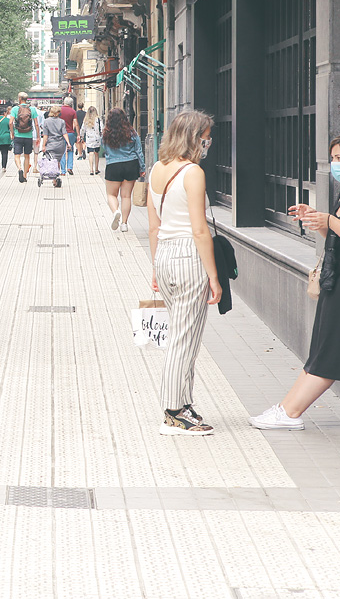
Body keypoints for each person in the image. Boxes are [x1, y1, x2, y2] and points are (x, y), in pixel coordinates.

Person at [250, 129, 340, 432]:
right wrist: (317, 220)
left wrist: (330, 221)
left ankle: (290, 412)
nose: (334, 164)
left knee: (331, 345)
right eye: (332, 158)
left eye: (339, 158)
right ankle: (286, 408)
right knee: (321, 344)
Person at [146, 110, 222, 436]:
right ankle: (174, 413)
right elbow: (200, 230)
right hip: (188, 257)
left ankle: (183, 403)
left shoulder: (157, 170)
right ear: (195, 137)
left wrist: (155, 266)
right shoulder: (192, 172)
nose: (209, 143)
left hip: (164, 255)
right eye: (206, 136)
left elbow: (153, 227)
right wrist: (214, 277)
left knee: (183, 335)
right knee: (184, 338)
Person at [102, 108, 145, 232]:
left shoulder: (106, 133)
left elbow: (103, 146)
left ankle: (116, 211)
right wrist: (142, 168)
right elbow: (139, 151)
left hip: (113, 165)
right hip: (130, 164)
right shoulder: (132, 133)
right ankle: (124, 224)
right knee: (126, 196)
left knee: (111, 194)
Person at [11, 93, 41, 183]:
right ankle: (24, 175)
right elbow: (36, 124)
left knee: (17, 155)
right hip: (28, 136)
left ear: (19, 99)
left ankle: (20, 168)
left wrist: (12, 133)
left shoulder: (15, 109)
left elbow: (10, 122)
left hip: (18, 135)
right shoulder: (32, 109)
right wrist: (38, 136)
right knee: (27, 155)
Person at [38, 105, 68, 188]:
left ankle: (53, 177)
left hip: (50, 145)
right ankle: (55, 178)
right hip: (60, 145)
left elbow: (45, 135)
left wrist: (43, 145)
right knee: (57, 161)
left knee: (52, 160)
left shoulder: (46, 121)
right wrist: (68, 143)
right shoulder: (62, 121)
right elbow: (64, 133)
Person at [79, 106, 104, 175]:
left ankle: (91, 169)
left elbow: (82, 129)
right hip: (97, 138)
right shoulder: (98, 119)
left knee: (90, 153)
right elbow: (102, 128)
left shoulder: (86, 120)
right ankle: (96, 169)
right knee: (96, 153)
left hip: (89, 139)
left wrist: (81, 136)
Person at [59, 95, 78, 175]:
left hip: (61, 133)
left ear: (64, 102)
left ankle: (63, 171)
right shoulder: (73, 111)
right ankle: (70, 167)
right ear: (71, 104)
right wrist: (78, 134)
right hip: (70, 133)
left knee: (62, 151)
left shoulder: (59, 110)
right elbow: (76, 123)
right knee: (70, 150)